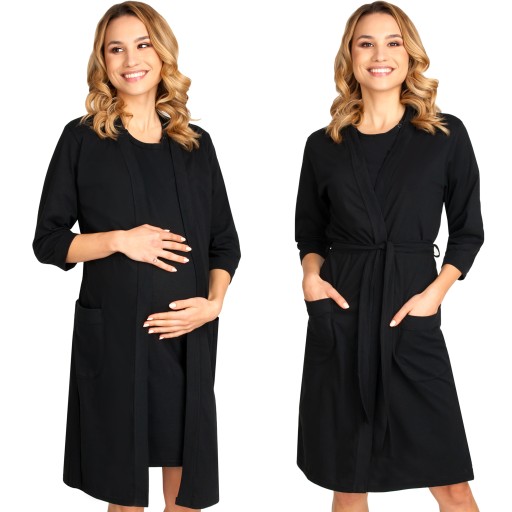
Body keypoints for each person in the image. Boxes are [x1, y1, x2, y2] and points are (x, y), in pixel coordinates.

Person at [33, 2, 240, 511]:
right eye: (116, 49)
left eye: (142, 44)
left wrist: (212, 305)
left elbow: (224, 244)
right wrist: (118, 240)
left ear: (162, 53)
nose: (131, 60)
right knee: (125, 498)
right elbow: (49, 241)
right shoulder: (82, 138)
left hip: (186, 340)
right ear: (102, 62)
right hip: (117, 341)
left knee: (185, 495)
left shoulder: (196, 146)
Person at [294, 2, 483, 511]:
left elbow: (469, 232)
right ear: (350, 57)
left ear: (410, 54)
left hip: (411, 313)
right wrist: (311, 278)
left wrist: (434, 294)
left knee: (451, 483)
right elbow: (309, 233)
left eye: (393, 42)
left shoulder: (444, 135)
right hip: (343, 314)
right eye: (367, 43)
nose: (380, 55)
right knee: (348, 478)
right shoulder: (324, 145)